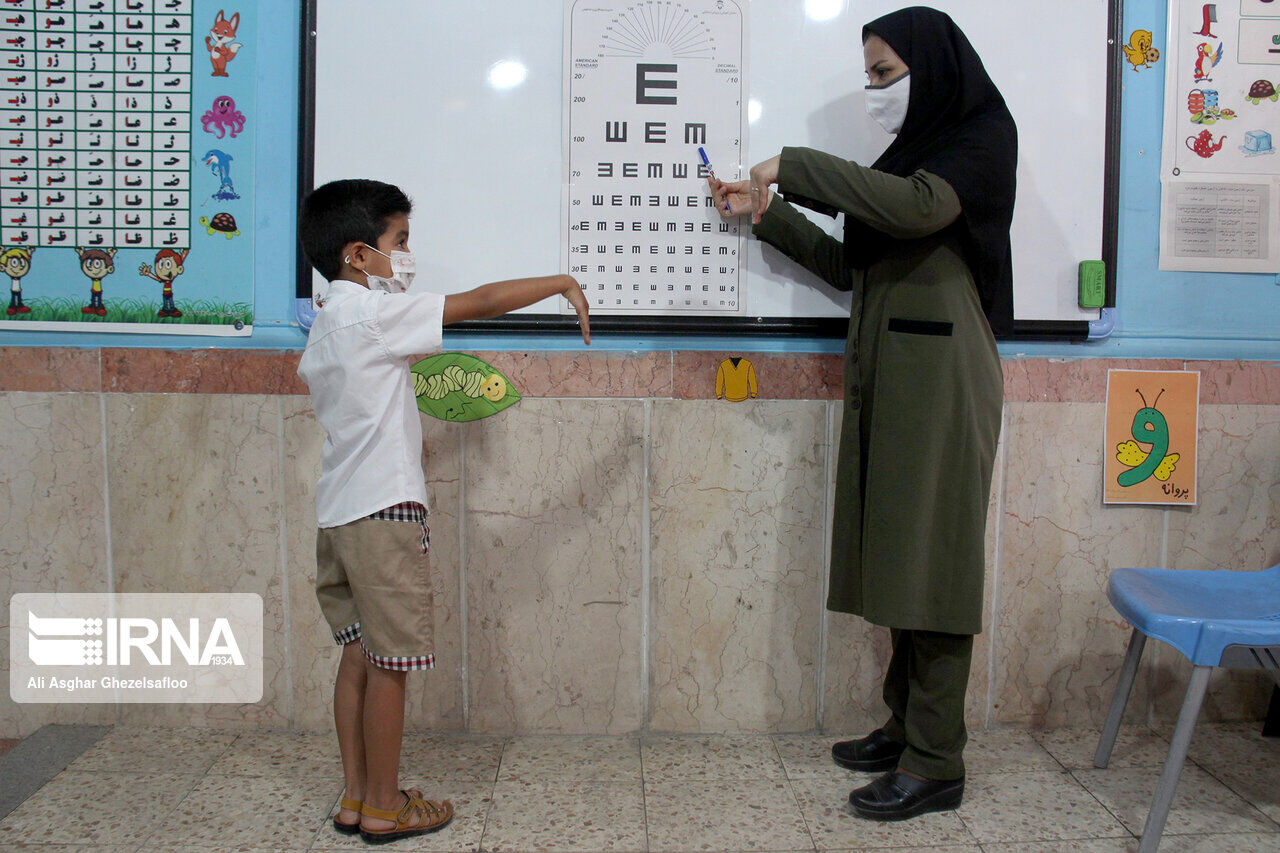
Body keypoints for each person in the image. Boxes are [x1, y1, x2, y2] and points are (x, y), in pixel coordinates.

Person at [711, 6, 1015, 822]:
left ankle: (936, 759)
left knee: (937, 565)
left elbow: (917, 211)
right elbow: (851, 266)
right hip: (893, 374)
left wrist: (790, 163)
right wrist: (765, 211)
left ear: (933, 70)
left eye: (885, 74)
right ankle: (904, 721)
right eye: (869, 76)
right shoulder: (911, 160)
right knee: (898, 558)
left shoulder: (981, 140)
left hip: (944, 379)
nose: (874, 90)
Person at [297, 179, 590, 843]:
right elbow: (480, 301)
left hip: (339, 515)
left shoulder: (327, 319)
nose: (408, 254)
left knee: (358, 659)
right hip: (383, 513)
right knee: (392, 666)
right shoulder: (374, 316)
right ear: (358, 255)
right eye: (399, 241)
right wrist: (560, 281)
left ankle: (355, 796)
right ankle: (385, 804)